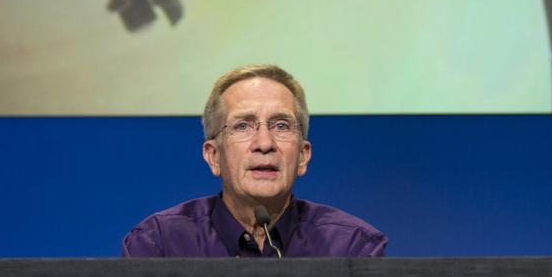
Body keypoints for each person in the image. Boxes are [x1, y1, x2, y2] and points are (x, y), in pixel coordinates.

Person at [122, 64, 388, 258]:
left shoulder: (352, 248)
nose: (264, 143)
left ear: (303, 156)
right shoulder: (160, 245)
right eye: (243, 126)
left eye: (281, 126)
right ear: (213, 156)